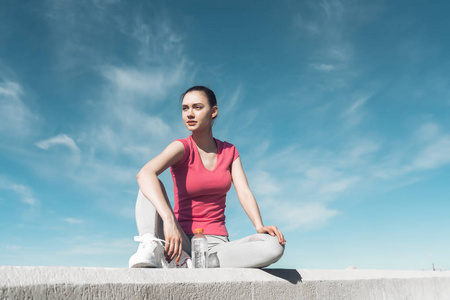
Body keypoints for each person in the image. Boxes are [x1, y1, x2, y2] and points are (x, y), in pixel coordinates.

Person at [129, 86, 285, 268]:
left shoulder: (230, 151)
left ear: (213, 111)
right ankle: (152, 245)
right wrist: (169, 221)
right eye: (185, 108)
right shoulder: (181, 147)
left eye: (197, 107)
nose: (190, 114)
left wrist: (259, 226)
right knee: (148, 185)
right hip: (179, 240)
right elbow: (144, 174)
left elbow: (243, 191)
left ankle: (193, 264)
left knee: (273, 246)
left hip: (216, 247)